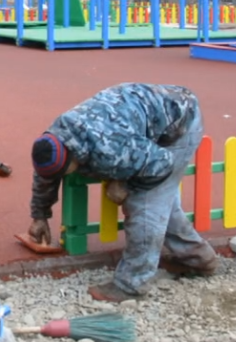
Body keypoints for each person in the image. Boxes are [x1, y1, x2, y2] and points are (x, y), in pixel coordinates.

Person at [27, 82, 218, 302]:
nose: (61, 176)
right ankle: (198, 259)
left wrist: (127, 186)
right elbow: (46, 175)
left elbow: (163, 164)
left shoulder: (110, 149)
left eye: (63, 172)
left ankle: (131, 284)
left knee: (145, 205)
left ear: (74, 157)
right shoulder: (54, 139)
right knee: (162, 200)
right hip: (146, 116)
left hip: (180, 122)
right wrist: (39, 215)